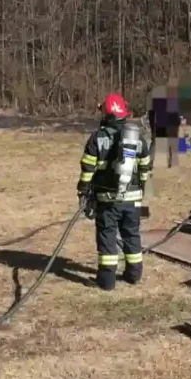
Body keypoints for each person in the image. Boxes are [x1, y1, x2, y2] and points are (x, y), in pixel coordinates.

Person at [76, 94, 153, 291]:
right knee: (131, 235)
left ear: (106, 113)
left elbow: (87, 170)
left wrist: (83, 192)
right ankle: (134, 275)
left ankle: (107, 281)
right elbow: (145, 167)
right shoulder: (138, 138)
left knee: (107, 237)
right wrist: (142, 188)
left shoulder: (97, 138)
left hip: (107, 200)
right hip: (133, 199)